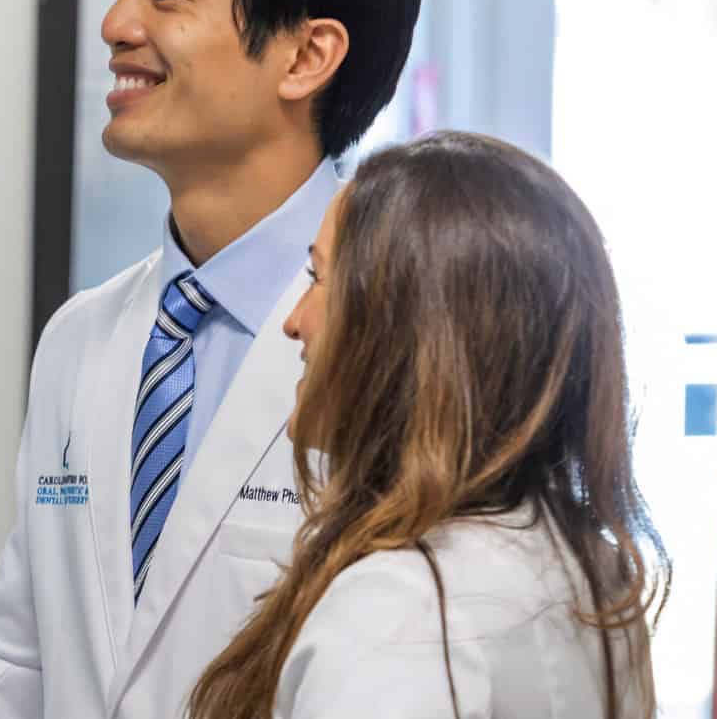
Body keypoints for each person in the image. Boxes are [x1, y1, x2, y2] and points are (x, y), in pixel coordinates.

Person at [0, 0, 422, 718]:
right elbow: (19, 647)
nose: (115, 26)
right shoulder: (85, 336)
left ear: (306, 56)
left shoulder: (411, 340)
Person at [187, 131, 670, 719]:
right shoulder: (591, 568)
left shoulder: (398, 615)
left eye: (318, 280)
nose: (294, 322)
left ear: (404, 331)